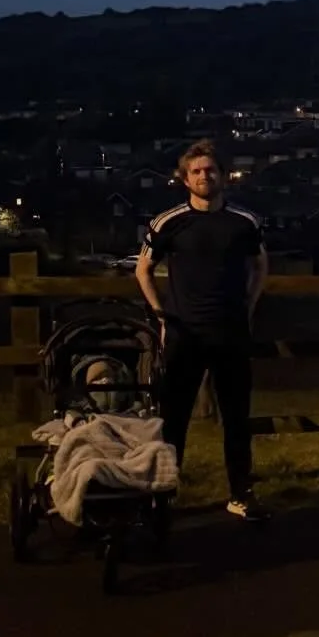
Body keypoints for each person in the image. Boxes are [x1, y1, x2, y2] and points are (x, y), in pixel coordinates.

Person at [135, 140, 269, 519]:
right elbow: (142, 270)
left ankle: (241, 494)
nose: (204, 176)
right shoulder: (168, 222)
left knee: (237, 418)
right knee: (173, 418)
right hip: (184, 335)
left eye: (210, 170)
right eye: (196, 171)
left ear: (224, 175)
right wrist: (161, 315)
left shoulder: (245, 222)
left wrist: (250, 305)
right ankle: (164, 494)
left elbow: (261, 265)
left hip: (231, 333)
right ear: (184, 178)